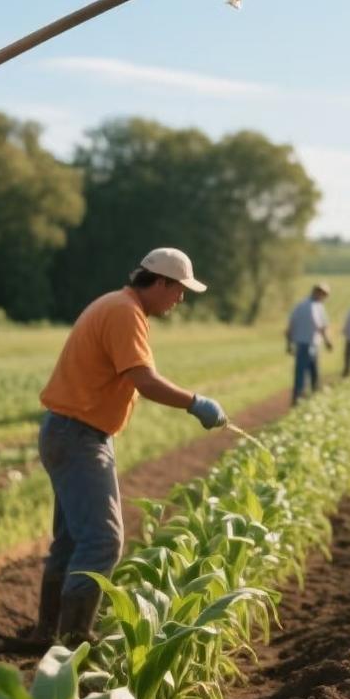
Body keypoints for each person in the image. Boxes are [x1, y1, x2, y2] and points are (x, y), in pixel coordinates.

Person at [34, 248, 227, 646]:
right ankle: (72, 639)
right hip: (78, 436)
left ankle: (47, 633)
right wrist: (194, 402)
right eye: (179, 290)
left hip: (68, 430)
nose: (181, 299)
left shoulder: (117, 304)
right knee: (102, 540)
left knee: (72, 540)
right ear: (161, 282)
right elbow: (144, 379)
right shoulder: (125, 312)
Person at [286, 282, 333, 404]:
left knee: (302, 372)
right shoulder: (316, 307)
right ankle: (307, 398)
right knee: (310, 373)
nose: (324, 297)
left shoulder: (300, 305)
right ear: (318, 292)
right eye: (324, 294)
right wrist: (327, 341)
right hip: (309, 344)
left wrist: (289, 344)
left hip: (302, 343)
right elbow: (321, 327)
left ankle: (299, 398)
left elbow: (290, 326)